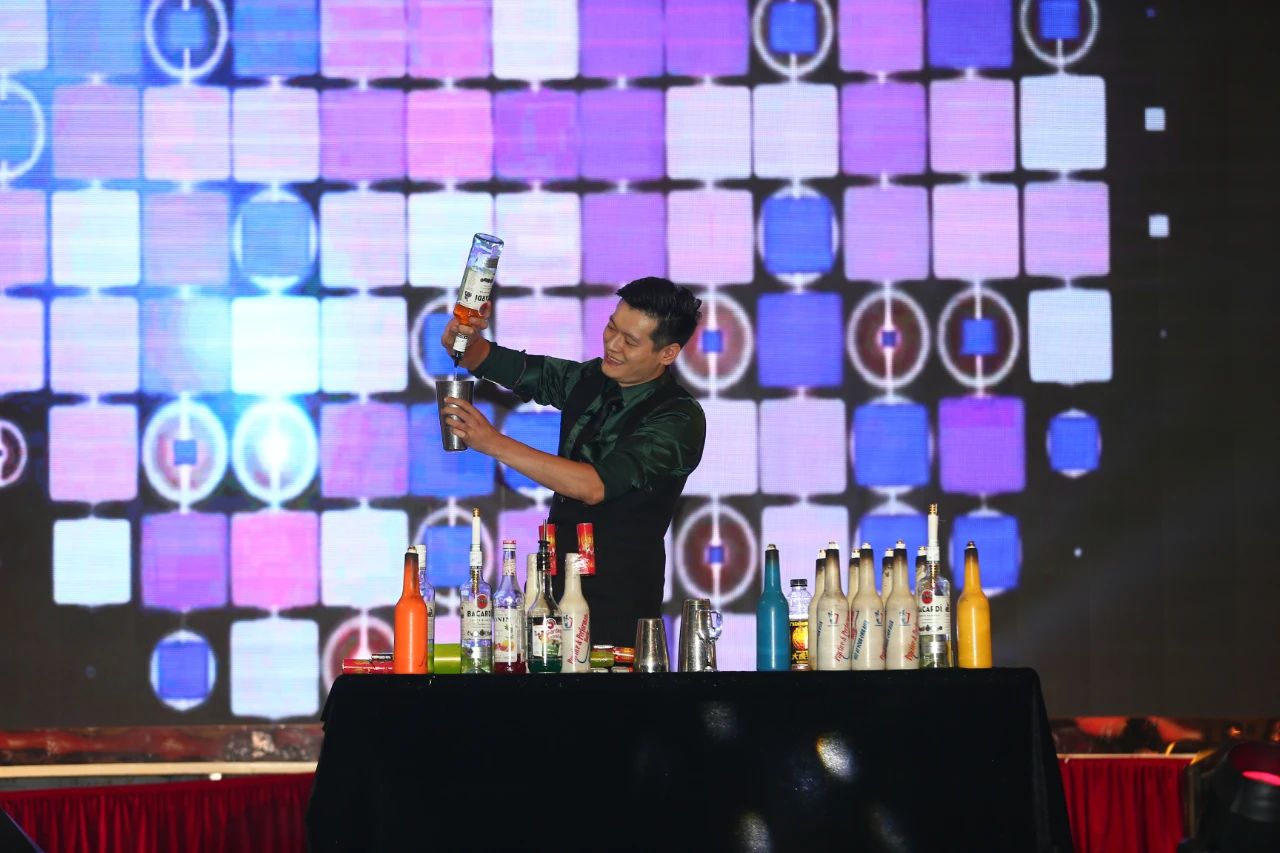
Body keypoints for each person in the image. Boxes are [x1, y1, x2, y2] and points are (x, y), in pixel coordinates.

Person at [439, 276, 706, 646]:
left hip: (618, 605)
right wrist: (462, 337)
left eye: (630, 341)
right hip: (552, 589)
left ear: (667, 353)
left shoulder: (678, 417)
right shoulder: (590, 379)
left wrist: (494, 443)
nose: (612, 344)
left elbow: (594, 486)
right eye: (612, 327)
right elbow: (486, 359)